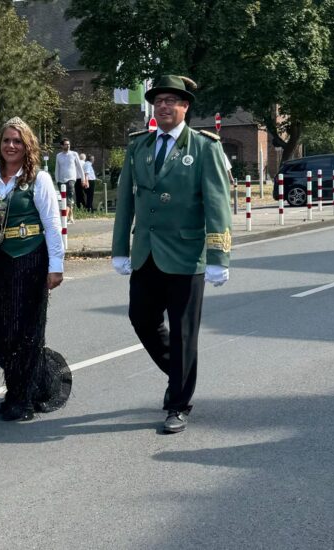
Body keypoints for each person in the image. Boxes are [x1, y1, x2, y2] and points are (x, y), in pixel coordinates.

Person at [111, 75, 232, 433]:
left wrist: (218, 257)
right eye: (159, 100)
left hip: (186, 254)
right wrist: (121, 249)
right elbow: (125, 202)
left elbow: (217, 206)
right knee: (141, 319)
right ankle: (182, 370)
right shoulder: (139, 146)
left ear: (185, 107)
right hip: (147, 253)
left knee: (182, 332)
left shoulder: (205, 147)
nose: (164, 106)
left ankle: (178, 403)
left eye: (171, 100)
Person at [0, 117, 71, 421]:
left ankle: (20, 398)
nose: (11, 146)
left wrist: (56, 266)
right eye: (6, 140)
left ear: (27, 145)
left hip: (29, 257)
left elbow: (53, 224)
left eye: (17, 141)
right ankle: (36, 378)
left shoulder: (37, 179)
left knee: (23, 329)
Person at [55, 137, 85, 224]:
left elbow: (79, 167)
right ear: (61, 146)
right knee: (64, 199)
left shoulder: (74, 154)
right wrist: (57, 180)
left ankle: (64, 219)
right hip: (61, 180)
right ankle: (70, 217)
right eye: (66, 144)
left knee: (69, 197)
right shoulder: (58, 156)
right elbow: (57, 168)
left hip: (71, 179)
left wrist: (83, 179)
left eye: (69, 144)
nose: (68, 146)